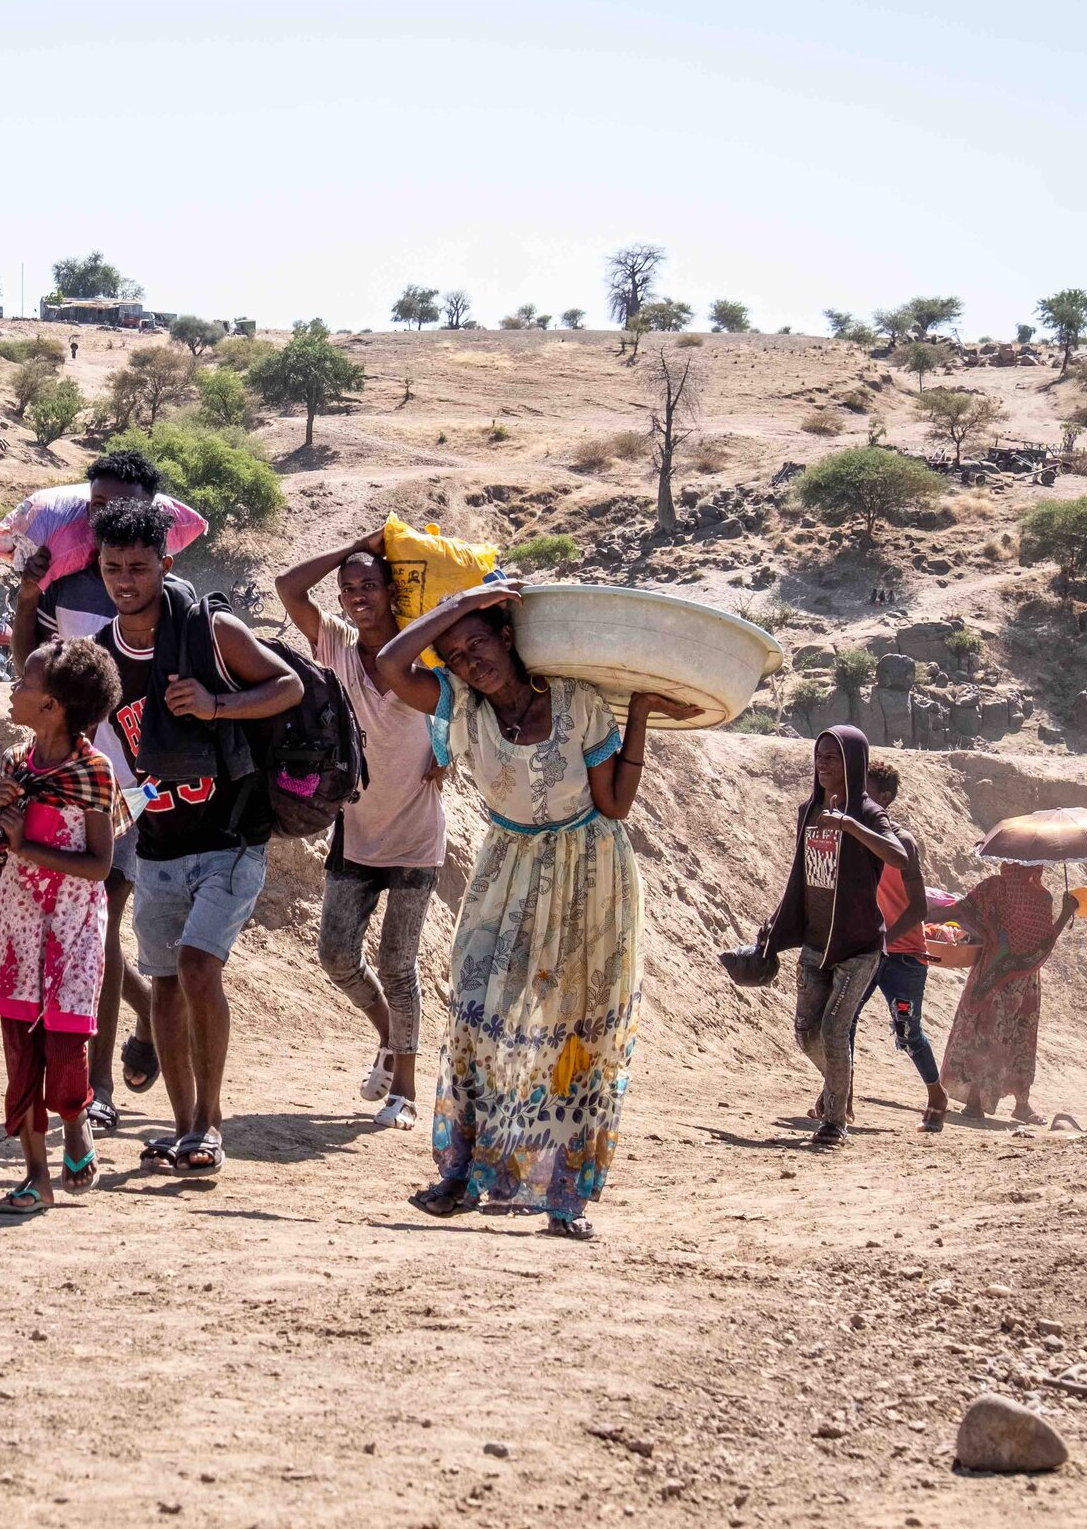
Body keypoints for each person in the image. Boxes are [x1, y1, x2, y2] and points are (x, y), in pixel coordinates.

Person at [375, 581, 697, 1240]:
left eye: (479, 642)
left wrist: (636, 714)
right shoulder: (458, 709)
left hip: (591, 873)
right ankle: (465, 1173)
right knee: (479, 1011)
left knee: (578, 1034)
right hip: (507, 870)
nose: (470, 660)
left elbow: (615, 806)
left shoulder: (577, 704)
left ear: (508, 638)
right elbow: (388, 666)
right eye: (457, 654)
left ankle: (565, 1197)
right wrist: (459, 607)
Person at [89, 496, 301, 1176]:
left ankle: (211, 1123)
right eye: (114, 567)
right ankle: (183, 1129)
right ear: (99, 566)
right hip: (157, 846)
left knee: (197, 967)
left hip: (231, 836)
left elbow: (289, 686)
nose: (126, 580)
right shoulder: (99, 657)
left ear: (165, 564)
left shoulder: (213, 632)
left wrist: (216, 705)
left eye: (140, 568)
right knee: (165, 985)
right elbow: (106, 758)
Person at [9, 448, 165, 1130]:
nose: (105, 519)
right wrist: (28, 596)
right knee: (89, 930)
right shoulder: (71, 584)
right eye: (96, 506)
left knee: (94, 930)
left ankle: (96, 1087)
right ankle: (149, 1017)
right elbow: (30, 667)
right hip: (66, 776)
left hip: (135, 790)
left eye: (120, 506)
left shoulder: (165, 596)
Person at [273, 527, 447, 1131]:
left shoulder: (424, 655)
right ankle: (387, 1038)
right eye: (348, 589)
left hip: (416, 834)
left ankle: (405, 1089)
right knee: (336, 954)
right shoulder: (337, 647)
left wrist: (450, 750)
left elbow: (469, 706)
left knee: (399, 963)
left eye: (368, 584)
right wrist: (359, 543)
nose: (356, 597)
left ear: (391, 591)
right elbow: (287, 586)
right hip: (356, 828)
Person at [0, 638, 122, 1215]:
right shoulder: (18, 764)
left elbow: (100, 865)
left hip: (73, 929)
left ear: (52, 705)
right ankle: (36, 1177)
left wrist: (27, 844)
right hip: (19, 924)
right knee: (20, 1053)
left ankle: (76, 1123)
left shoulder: (94, 774)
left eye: (24, 682)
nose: (14, 688)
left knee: (65, 1045)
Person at [757, 727, 903, 1150]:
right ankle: (842, 1080)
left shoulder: (870, 812)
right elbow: (800, 877)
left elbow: (900, 855)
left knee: (835, 1030)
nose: (822, 765)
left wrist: (849, 826)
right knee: (806, 1033)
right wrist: (777, 920)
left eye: (832, 758)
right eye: (819, 756)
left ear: (852, 764)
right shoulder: (808, 810)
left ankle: (834, 1122)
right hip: (816, 944)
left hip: (858, 947)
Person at [843, 761, 948, 1132]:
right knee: (843, 1021)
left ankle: (937, 1096)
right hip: (868, 949)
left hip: (902, 954)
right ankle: (842, 1101)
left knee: (907, 1031)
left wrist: (885, 938)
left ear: (884, 798)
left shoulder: (903, 842)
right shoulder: (854, 836)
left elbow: (918, 907)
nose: (860, 797)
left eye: (867, 790)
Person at [933, 862, 1079, 1124]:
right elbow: (1043, 944)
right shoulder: (1041, 897)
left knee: (984, 1032)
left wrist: (929, 916)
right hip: (1024, 980)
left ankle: (977, 1102)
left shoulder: (993, 887)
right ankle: (1019, 1103)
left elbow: (963, 910)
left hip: (990, 971)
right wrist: (1066, 914)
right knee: (1018, 1037)